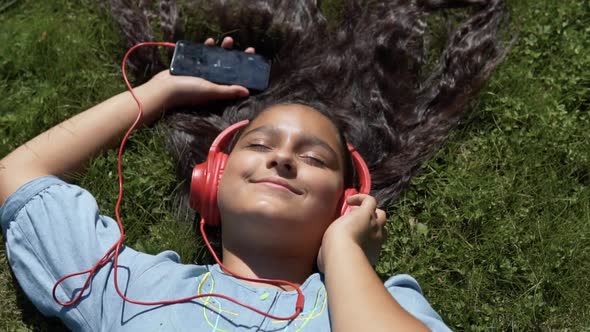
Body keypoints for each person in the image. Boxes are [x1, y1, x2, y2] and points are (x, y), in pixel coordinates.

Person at [1, 0, 509, 330]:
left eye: (314, 158)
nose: (283, 157)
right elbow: (17, 176)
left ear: (344, 204)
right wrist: (162, 91)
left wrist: (343, 254)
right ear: (212, 180)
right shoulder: (131, 289)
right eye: (259, 145)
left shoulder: (375, 300)